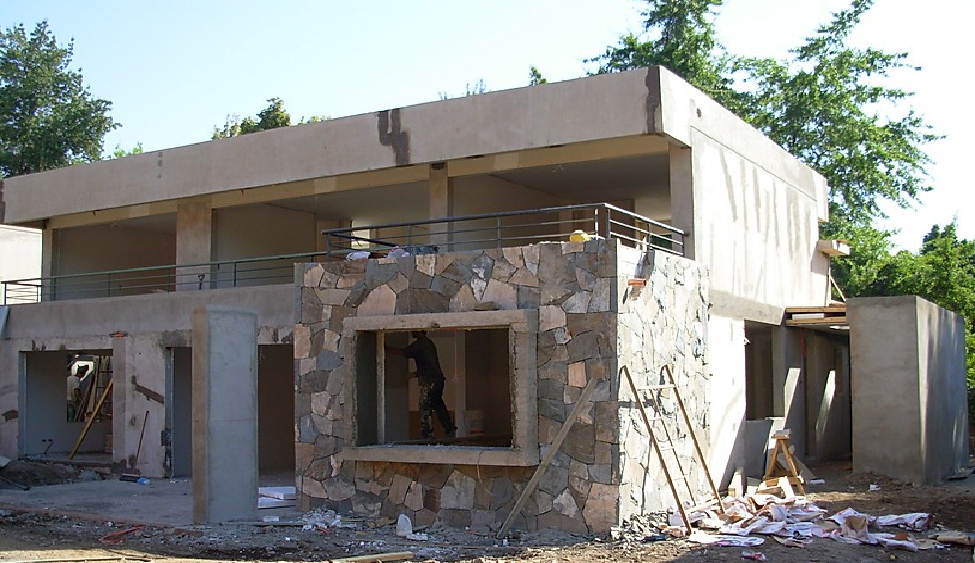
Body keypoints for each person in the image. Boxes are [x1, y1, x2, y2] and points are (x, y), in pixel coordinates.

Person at [386, 330, 456, 440]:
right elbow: (429, 364)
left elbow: (404, 352)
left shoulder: (419, 344)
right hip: (438, 380)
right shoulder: (428, 343)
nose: (411, 331)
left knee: (425, 407)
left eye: (413, 330)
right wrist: (415, 374)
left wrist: (386, 348)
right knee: (437, 404)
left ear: (419, 331)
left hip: (430, 381)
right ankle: (449, 428)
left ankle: (428, 435)